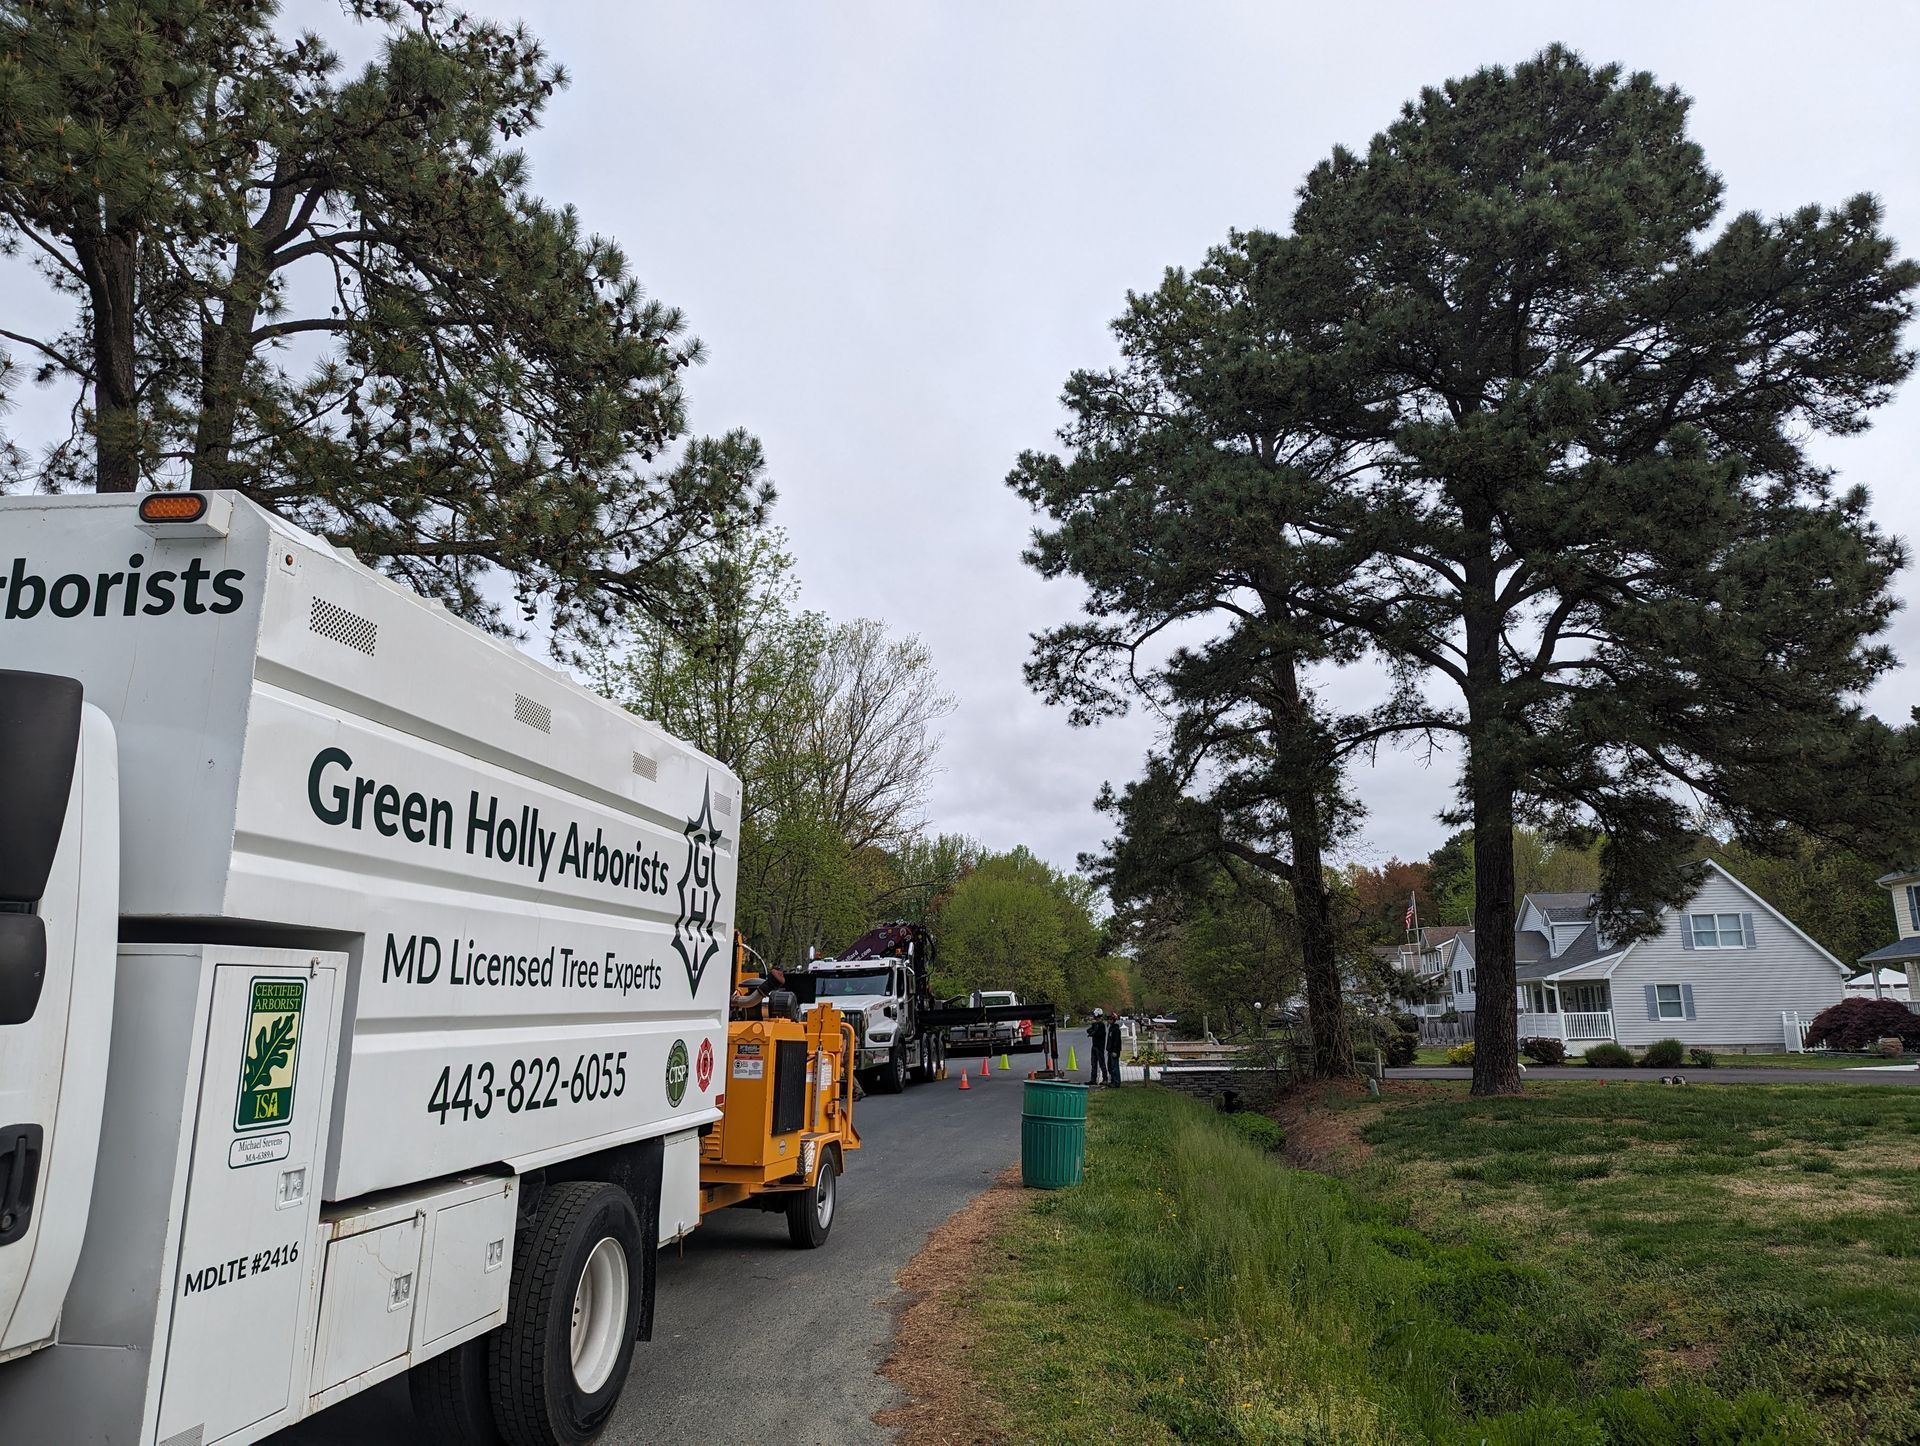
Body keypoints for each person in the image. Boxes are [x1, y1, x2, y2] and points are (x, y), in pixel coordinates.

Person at [1086, 1008, 1108, 1086]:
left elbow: (1097, 1033)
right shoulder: (1095, 1024)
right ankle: (1093, 1079)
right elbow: (1089, 1030)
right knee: (1093, 1063)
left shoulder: (1101, 1025)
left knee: (1101, 1063)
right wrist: (1092, 1032)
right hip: (1094, 1045)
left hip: (1099, 1046)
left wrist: (1092, 1033)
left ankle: (1105, 1079)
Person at [1105, 1009, 1124, 1087]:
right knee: (1110, 1066)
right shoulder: (1111, 1029)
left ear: (1113, 1020)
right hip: (1110, 1050)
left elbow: (1117, 1041)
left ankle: (1116, 1082)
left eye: (1109, 1019)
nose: (1108, 1021)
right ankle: (1112, 1080)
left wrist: (1115, 1051)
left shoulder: (1116, 1029)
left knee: (1114, 1067)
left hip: (1114, 1051)